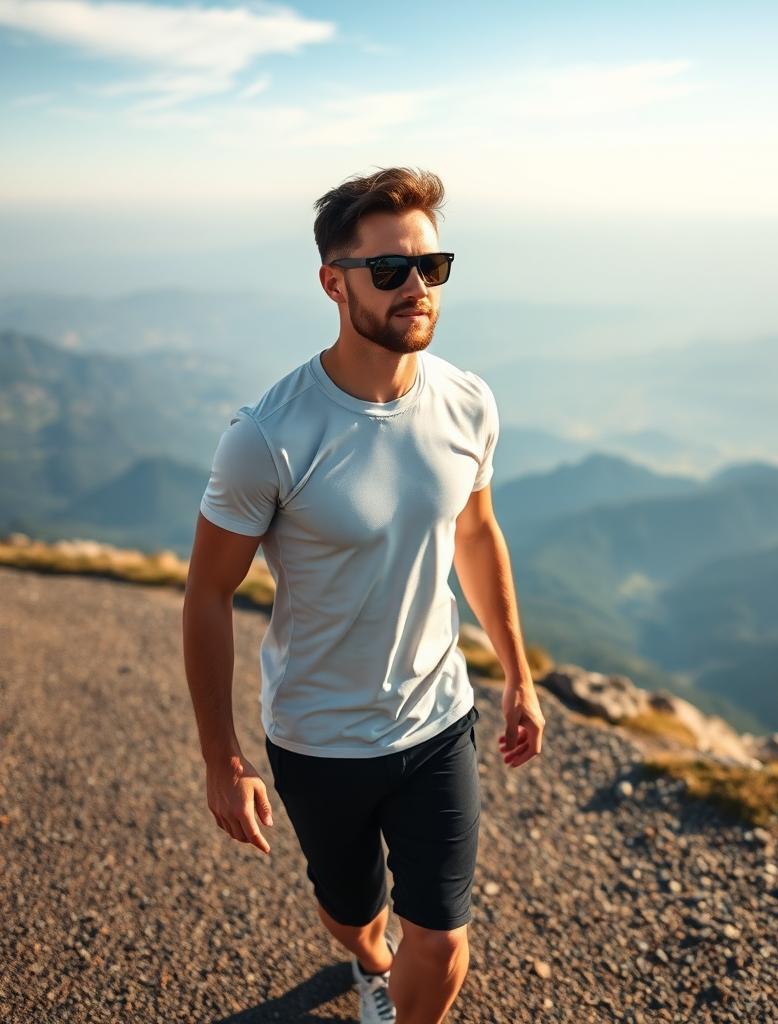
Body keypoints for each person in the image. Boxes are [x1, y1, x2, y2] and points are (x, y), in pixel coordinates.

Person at [181, 166, 545, 1024]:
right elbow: (205, 594)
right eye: (389, 271)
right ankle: (365, 957)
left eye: (432, 266)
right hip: (319, 738)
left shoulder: (467, 402)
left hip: (437, 719)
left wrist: (517, 675)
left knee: (445, 937)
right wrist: (220, 759)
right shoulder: (267, 437)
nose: (416, 288)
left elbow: (476, 535)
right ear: (332, 283)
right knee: (352, 911)